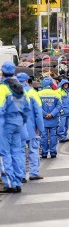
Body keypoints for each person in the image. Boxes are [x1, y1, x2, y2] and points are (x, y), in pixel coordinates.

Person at [0, 62, 31, 193]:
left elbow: (1, 109)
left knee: (4, 153)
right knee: (17, 152)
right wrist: (22, 122)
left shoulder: (3, 88)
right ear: (14, 72)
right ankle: (18, 181)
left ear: (2, 73)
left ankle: (9, 183)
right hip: (18, 122)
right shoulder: (21, 88)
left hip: (5, 123)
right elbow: (27, 109)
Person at [16, 73, 45, 182]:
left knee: (20, 152)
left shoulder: (13, 93)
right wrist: (40, 127)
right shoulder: (33, 93)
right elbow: (38, 112)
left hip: (18, 127)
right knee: (33, 150)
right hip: (32, 127)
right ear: (28, 81)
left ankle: (21, 175)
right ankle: (33, 173)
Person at [38, 77, 62, 158]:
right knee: (53, 136)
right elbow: (59, 106)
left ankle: (44, 153)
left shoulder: (39, 94)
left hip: (43, 119)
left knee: (44, 136)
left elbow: (37, 107)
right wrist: (52, 114)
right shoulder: (56, 93)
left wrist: (45, 114)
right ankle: (53, 152)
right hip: (53, 119)